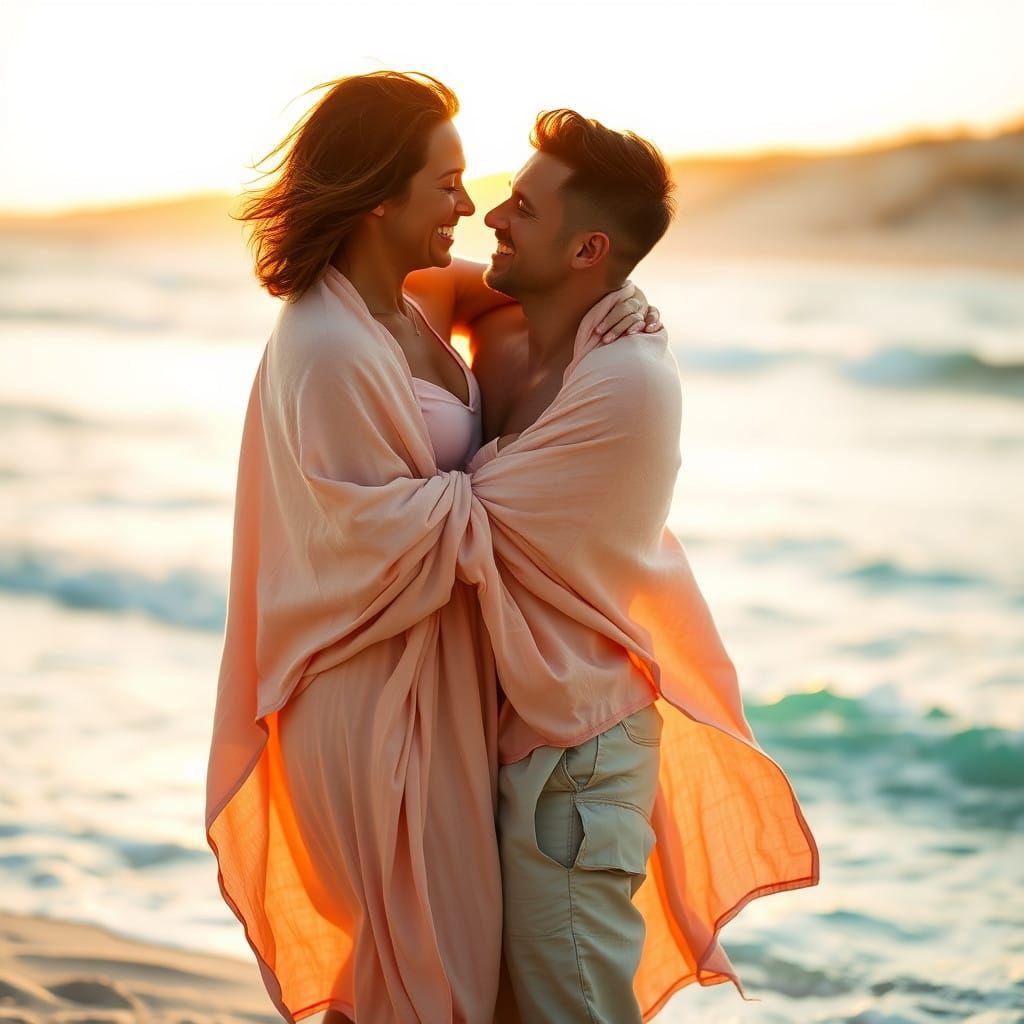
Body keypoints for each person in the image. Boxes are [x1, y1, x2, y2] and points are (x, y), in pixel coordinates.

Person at [204, 71, 654, 1024]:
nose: (469, 205)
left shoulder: (404, 301)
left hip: (423, 683)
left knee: (440, 969)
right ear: (380, 197)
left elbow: (521, 291)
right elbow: (371, 535)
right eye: (447, 184)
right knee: (429, 973)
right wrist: (537, 480)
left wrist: (617, 297)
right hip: (372, 700)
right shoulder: (331, 344)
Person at [456, 111, 821, 1021]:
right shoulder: (508, 340)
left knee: (573, 1007)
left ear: (588, 249)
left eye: (524, 209)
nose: (492, 217)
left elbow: (457, 527)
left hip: (576, 756)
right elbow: (395, 286)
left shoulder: (629, 385)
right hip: (517, 729)